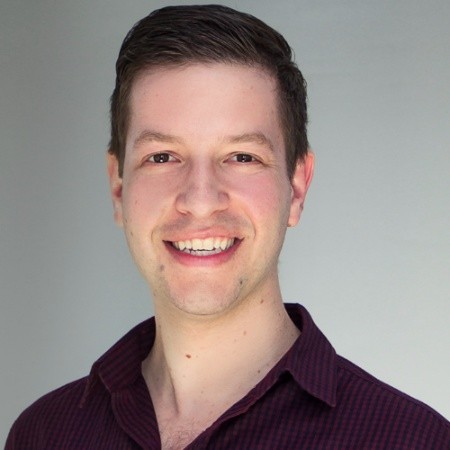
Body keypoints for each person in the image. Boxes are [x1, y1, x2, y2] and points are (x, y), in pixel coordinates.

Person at [5, 5, 449, 450]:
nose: (200, 200)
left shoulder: (413, 441)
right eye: (162, 157)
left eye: (242, 157)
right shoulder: (43, 434)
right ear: (119, 187)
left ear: (296, 188)